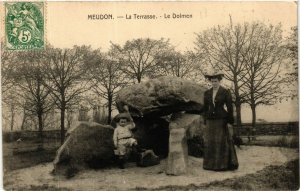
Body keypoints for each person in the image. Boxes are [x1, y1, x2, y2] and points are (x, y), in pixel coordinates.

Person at [202, 70, 239, 171]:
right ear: (210, 82)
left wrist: (230, 120)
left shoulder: (225, 92)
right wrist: (205, 120)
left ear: (219, 81)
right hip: (210, 120)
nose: (214, 83)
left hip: (221, 119)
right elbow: (205, 108)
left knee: (221, 141)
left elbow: (230, 107)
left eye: (216, 81)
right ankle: (210, 165)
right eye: (212, 81)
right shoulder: (207, 93)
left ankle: (222, 165)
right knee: (211, 141)